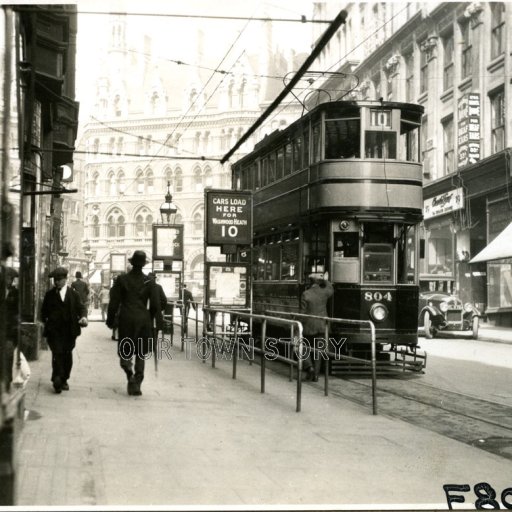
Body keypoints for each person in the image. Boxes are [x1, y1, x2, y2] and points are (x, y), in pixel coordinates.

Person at [106, 251, 158, 396]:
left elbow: (114, 303)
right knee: (141, 352)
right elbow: (154, 305)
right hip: (143, 319)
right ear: (143, 265)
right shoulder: (149, 282)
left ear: (131, 263)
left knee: (126, 351)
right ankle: (137, 380)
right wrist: (149, 318)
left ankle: (129, 374)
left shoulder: (122, 280)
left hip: (126, 319)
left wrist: (110, 320)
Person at [41, 266, 88, 393]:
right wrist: (46, 322)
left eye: (59, 279)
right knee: (57, 353)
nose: (56, 282)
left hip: (69, 331)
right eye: (55, 279)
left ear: (65, 279)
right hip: (54, 331)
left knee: (67, 354)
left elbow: (81, 308)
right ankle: (57, 378)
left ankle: (65, 378)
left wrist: (83, 317)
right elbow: (43, 312)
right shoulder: (49, 295)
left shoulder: (74, 295)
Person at [299, 272, 334, 382]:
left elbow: (302, 313)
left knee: (303, 347)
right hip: (321, 326)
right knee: (318, 351)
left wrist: (297, 326)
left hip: (308, 326)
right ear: (319, 282)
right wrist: (325, 279)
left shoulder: (306, 294)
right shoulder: (324, 293)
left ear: (310, 282)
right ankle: (316, 375)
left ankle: (310, 367)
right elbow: (330, 288)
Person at [147, 272, 168, 337]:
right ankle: (153, 346)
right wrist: (159, 309)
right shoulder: (158, 287)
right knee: (155, 334)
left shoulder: (144, 287)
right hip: (156, 314)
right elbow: (164, 300)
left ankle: (149, 346)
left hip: (146, 315)